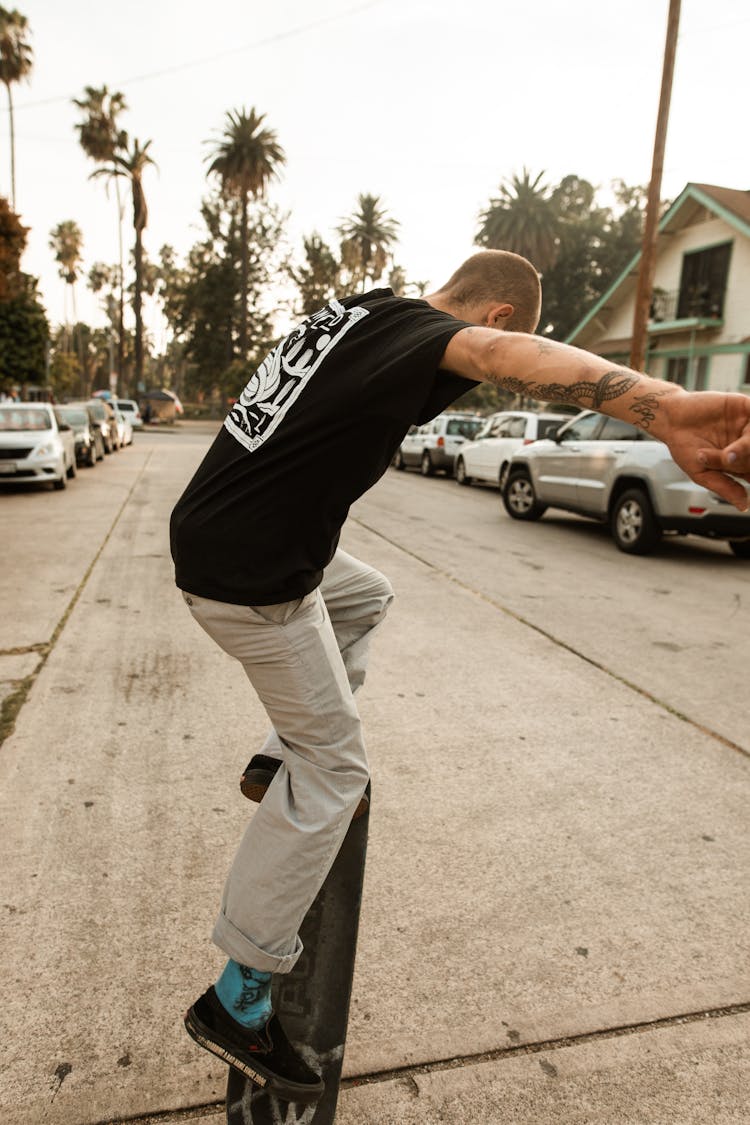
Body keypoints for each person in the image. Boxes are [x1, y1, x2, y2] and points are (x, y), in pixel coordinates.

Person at [170, 250, 750, 1102]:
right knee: (335, 772)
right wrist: (662, 409)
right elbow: (500, 357)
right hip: (252, 574)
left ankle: (275, 752)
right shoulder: (433, 334)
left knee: (367, 594)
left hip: (225, 535)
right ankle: (240, 994)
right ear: (502, 315)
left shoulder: (361, 313)